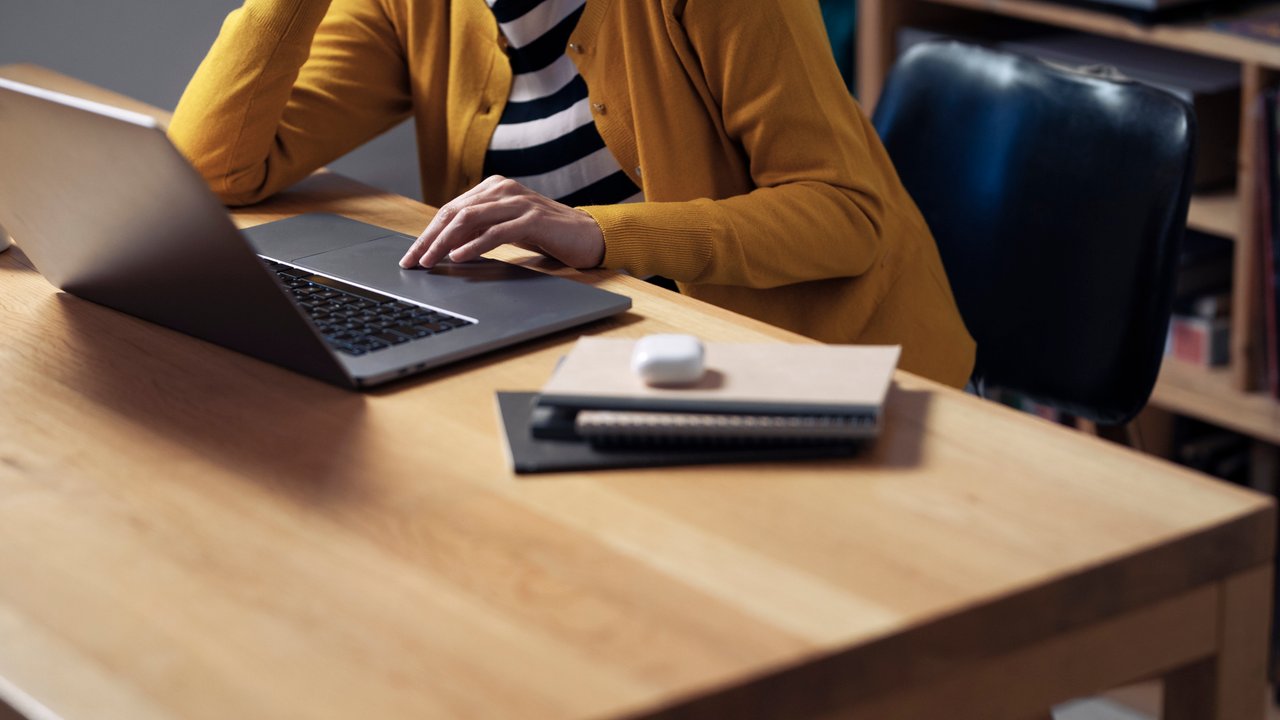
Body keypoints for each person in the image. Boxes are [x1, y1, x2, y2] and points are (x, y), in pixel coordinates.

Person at [169, 0, 976, 387]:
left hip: (825, 372)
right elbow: (216, 167)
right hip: (606, 359)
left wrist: (599, 234)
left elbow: (848, 215)